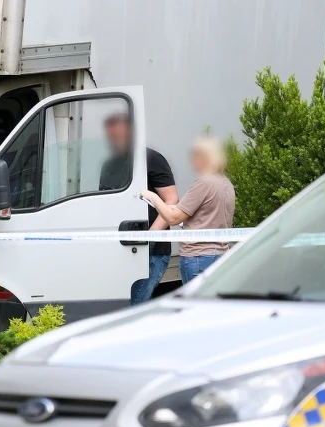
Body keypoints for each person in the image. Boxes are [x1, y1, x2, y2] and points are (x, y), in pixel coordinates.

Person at [98, 113, 178, 304]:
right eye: (110, 136)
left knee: (134, 307)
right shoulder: (109, 165)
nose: (114, 140)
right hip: (123, 249)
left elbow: (172, 199)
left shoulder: (150, 159)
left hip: (152, 252)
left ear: (131, 131)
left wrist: (149, 237)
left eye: (118, 135)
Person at [141, 135, 235, 283]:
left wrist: (152, 197)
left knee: (196, 305)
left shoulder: (203, 183)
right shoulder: (225, 182)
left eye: (194, 154)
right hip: (220, 254)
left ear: (203, 157)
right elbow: (205, 215)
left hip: (198, 257)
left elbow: (173, 219)